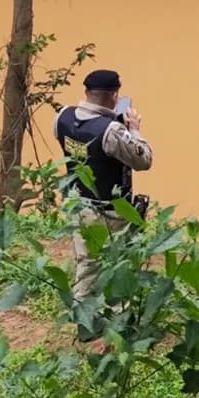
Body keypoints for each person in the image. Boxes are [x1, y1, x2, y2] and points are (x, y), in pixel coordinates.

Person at [54, 69, 153, 300]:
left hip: (77, 205)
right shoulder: (111, 131)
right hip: (110, 213)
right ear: (114, 96)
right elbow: (143, 160)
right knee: (120, 265)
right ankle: (117, 319)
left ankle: (84, 320)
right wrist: (134, 130)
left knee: (86, 264)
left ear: (86, 92)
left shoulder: (62, 118)